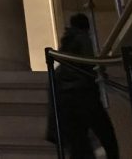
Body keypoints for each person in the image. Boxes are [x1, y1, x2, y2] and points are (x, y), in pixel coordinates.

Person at [48, 13, 119, 159]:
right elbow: (89, 64)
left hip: (68, 100)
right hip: (83, 95)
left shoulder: (65, 51)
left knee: (79, 144)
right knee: (106, 138)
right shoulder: (83, 39)